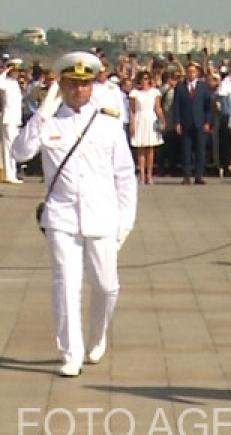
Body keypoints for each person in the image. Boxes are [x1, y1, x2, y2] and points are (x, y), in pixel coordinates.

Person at [12, 51, 137, 377]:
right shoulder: (50, 121)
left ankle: (98, 336)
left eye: (84, 84)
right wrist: (43, 110)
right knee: (65, 284)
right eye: (71, 84)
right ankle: (71, 351)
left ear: (92, 86)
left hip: (102, 216)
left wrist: (126, 221)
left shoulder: (108, 123)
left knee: (106, 285)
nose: (78, 90)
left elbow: (125, 176)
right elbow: (20, 151)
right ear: (62, 85)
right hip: (62, 216)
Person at [172, 62, 214, 184]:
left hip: (200, 123)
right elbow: (176, 107)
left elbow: (208, 106)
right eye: (189, 72)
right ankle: (186, 175)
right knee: (186, 150)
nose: (191, 74)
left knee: (200, 150)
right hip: (186, 123)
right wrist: (177, 123)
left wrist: (207, 122)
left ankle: (199, 175)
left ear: (197, 73)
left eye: (193, 72)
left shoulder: (203, 87)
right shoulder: (180, 87)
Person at [128, 71, 166, 185]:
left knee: (150, 149)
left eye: (147, 78)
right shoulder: (134, 93)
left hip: (151, 119)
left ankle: (149, 175)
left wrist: (163, 120)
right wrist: (132, 124)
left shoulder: (155, 92)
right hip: (140, 119)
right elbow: (132, 110)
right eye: (143, 78)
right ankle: (142, 175)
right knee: (141, 149)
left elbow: (158, 108)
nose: (145, 81)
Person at [1, 58, 26, 182]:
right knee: (9, 148)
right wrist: (5, 71)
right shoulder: (5, 82)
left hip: (15, 120)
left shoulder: (15, 83)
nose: (17, 73)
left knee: (12, 147)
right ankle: (10, 175)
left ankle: (12, 174)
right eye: (14, 70)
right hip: (8, 120)